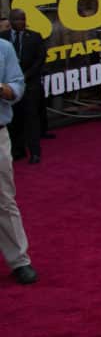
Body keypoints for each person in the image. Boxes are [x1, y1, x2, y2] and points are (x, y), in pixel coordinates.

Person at [0, 36, 36, 285]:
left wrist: (1, 88)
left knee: (4, 199)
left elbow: (17, 88)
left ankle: (19, 261)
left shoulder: (4, 49)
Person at [1, 9, 45, 164]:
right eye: (17, 19)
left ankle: (35, 152)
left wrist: (25, 76)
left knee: (31, 118)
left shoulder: (35, 36)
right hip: (8, 88)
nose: (21, 22)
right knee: (15, 120)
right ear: (11, 21)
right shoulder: (3, 39)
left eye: (23, 19)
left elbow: (40, 59)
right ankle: (17, 150)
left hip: (30, 84)